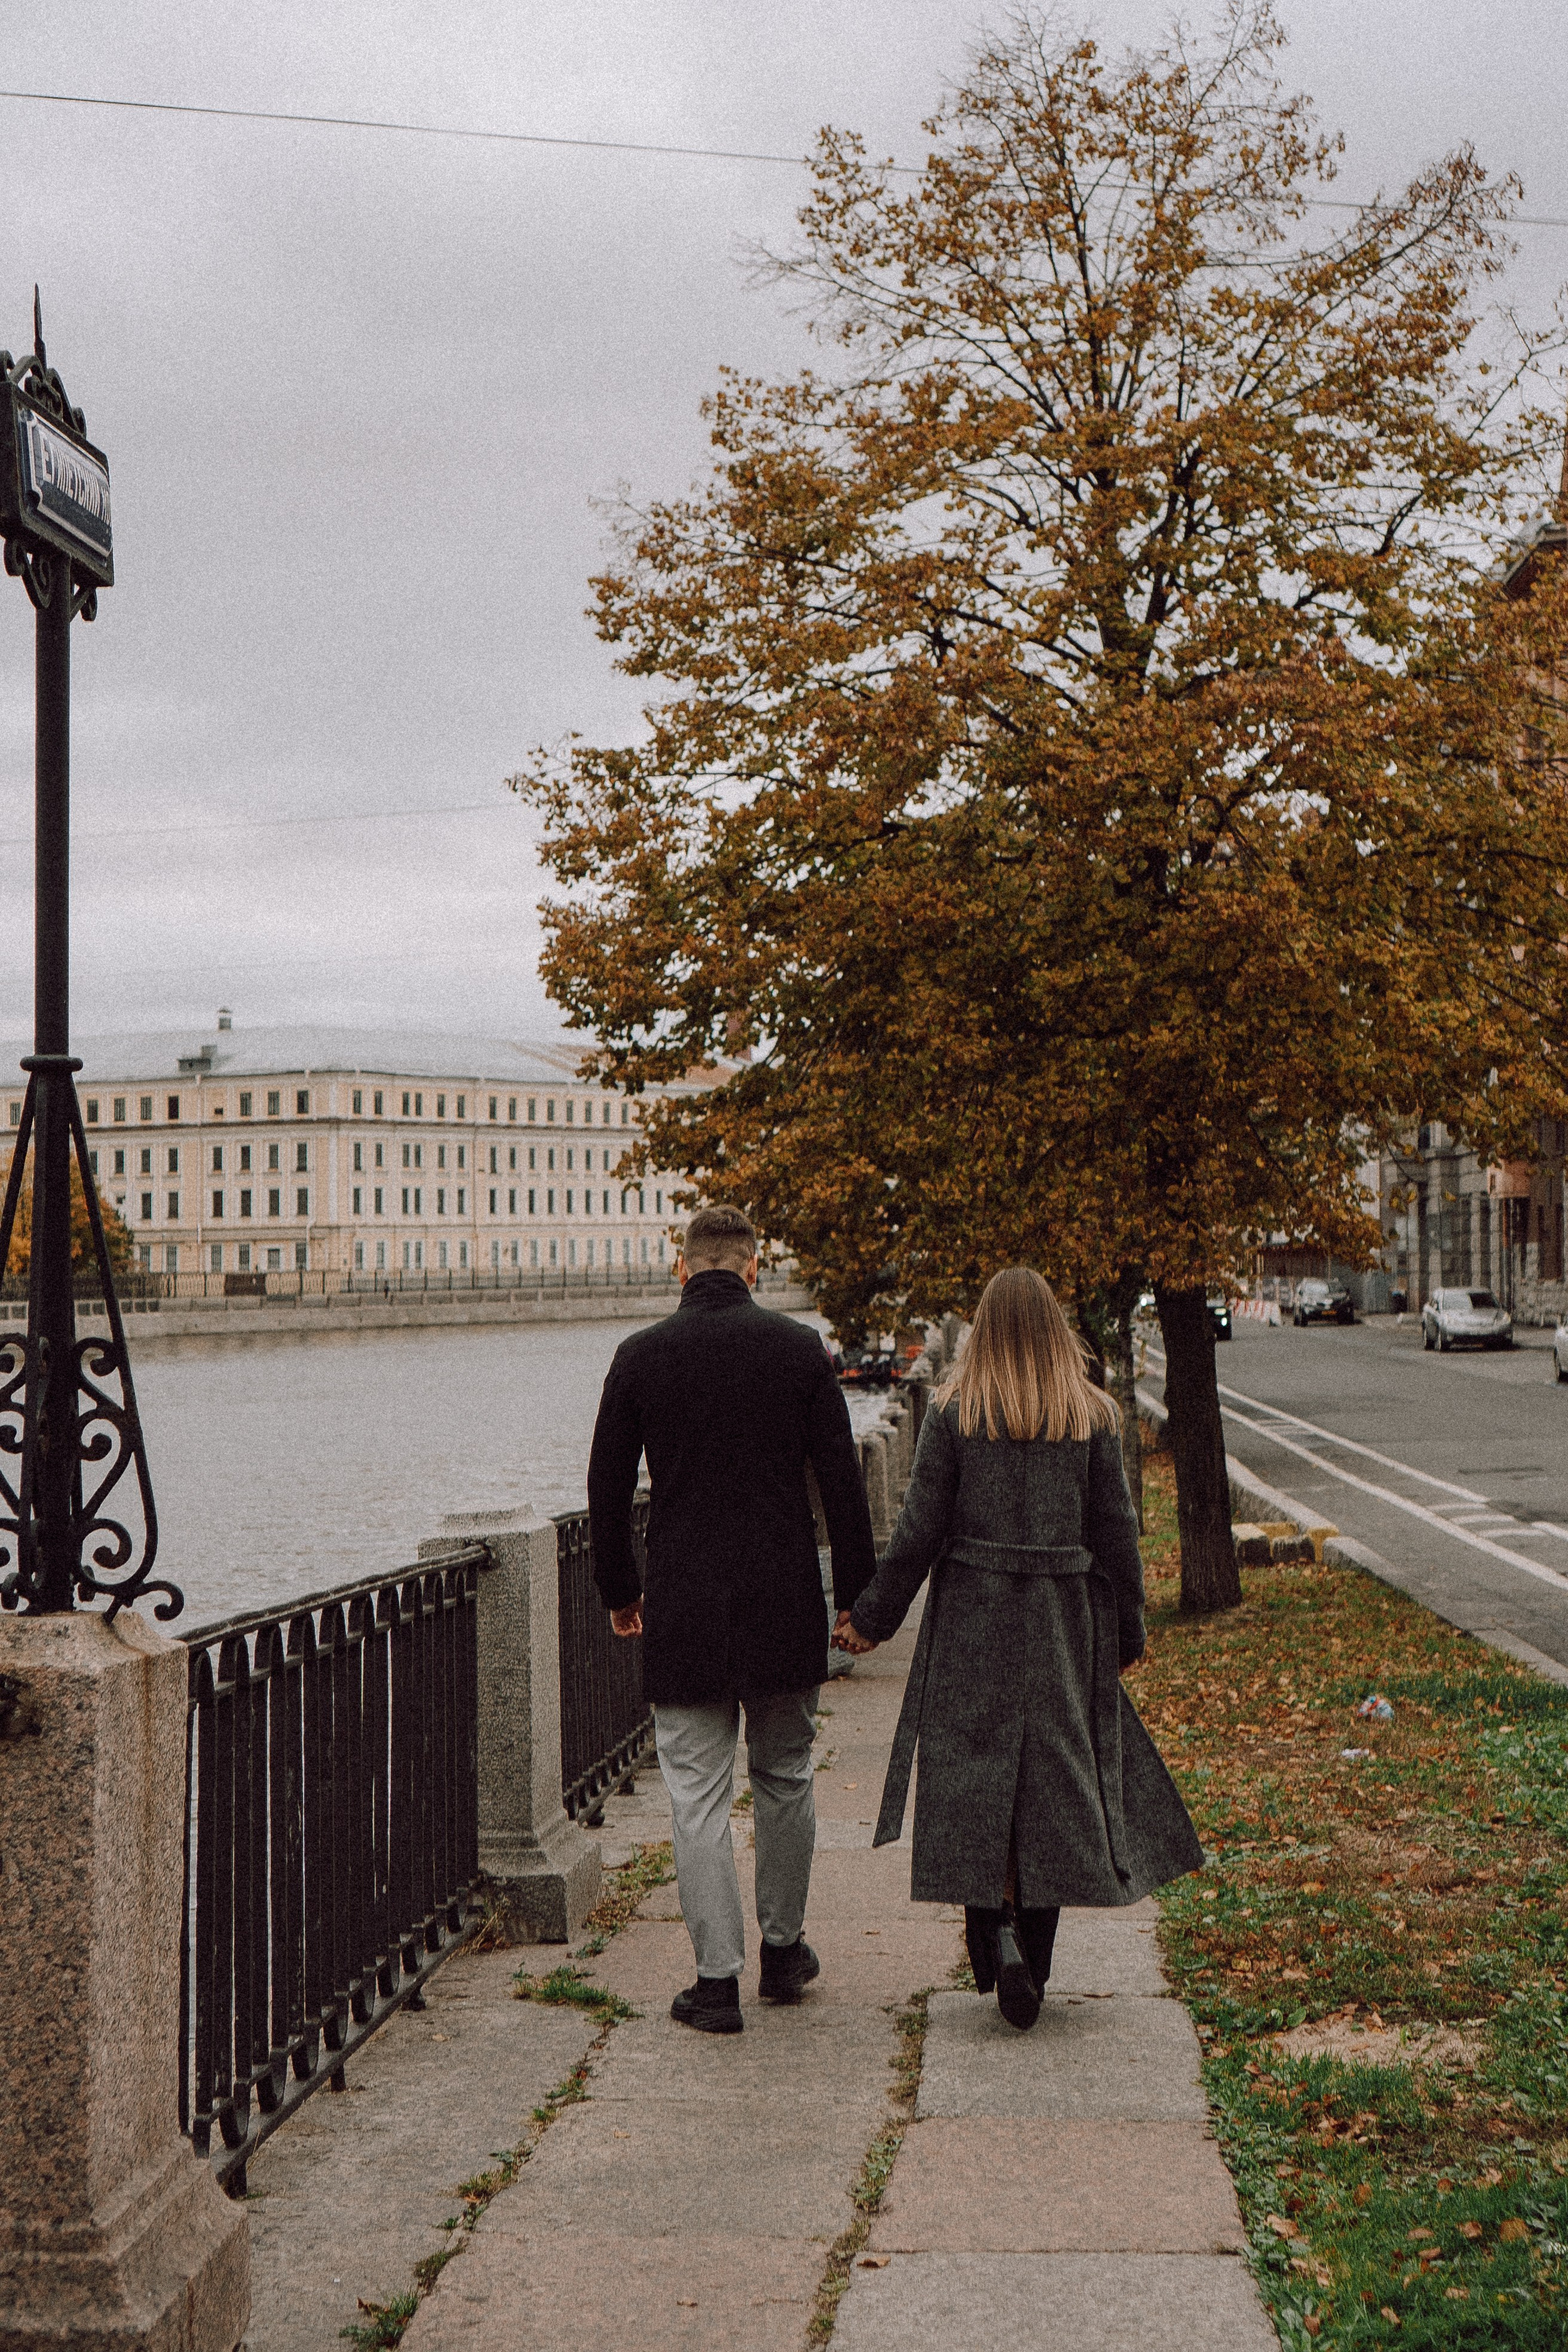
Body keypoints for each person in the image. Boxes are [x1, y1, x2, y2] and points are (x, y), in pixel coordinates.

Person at [832, 1266, 1202, 2031]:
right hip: (1063, 1622)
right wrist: (1126, 1632)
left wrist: (872, 1618)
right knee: (1053, 1781)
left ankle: (994, 1932)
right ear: (1056, 1331)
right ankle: (1032, 1957)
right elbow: (1118, 1539)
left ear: (984, 1331)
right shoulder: (1089, 1417)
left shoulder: (954, 1413)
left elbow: (917, 1532)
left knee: (974, 1774)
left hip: (974, 1616)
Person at [587, 1204, 878, 2034]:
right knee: (784, 1774)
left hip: (683, 1602)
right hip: (783, 1596)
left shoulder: (640, 1356)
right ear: (755, 1267)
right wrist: (858, 1598)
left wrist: (621, 1591)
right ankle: (783, 1951)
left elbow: (606, 1488)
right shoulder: (799, 1350)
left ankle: (716, 1982)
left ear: (681, 1269)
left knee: (696, 1794)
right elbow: (842, 1480)